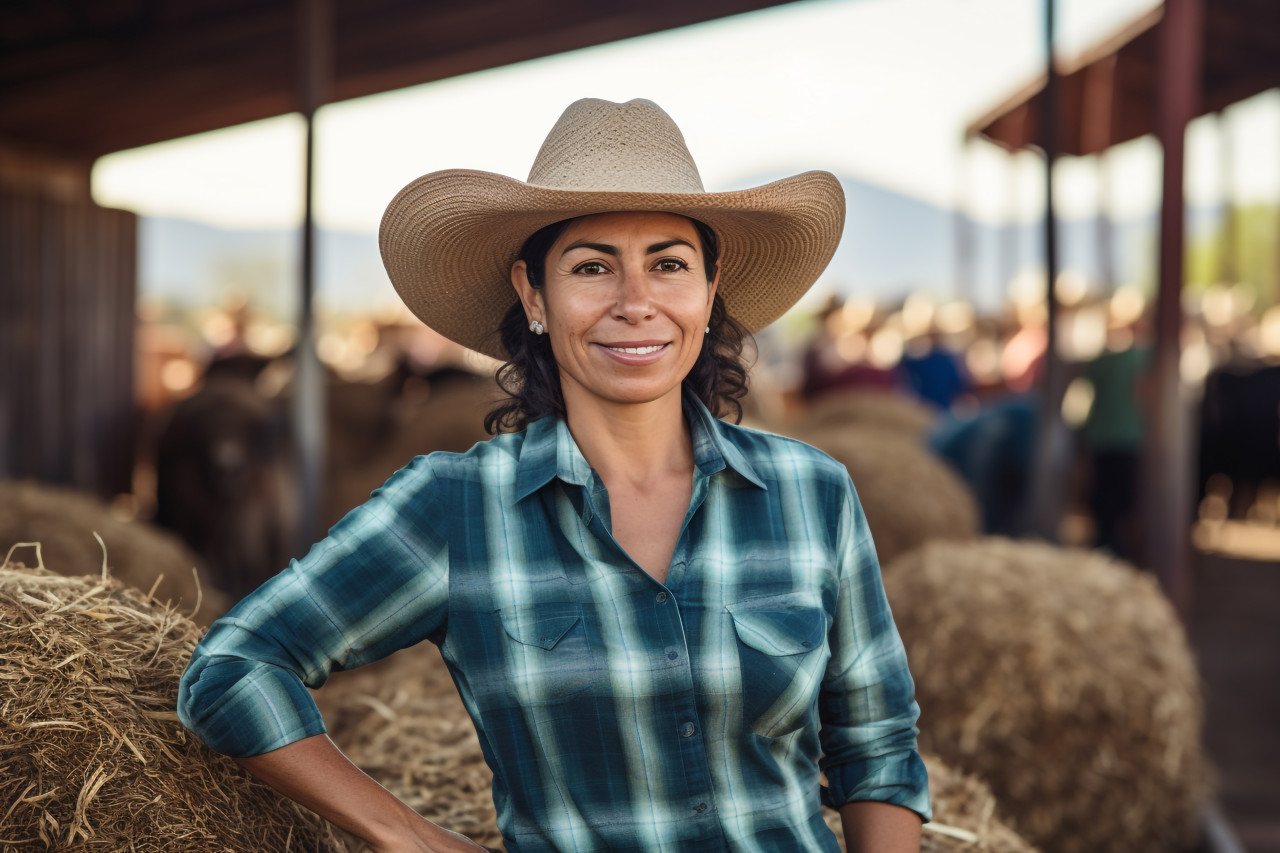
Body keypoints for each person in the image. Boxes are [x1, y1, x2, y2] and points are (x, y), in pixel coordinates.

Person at [178, 98, 930, 853]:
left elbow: (877, 746)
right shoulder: (457, 506)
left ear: (709, 289)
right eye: (593, 267)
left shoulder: (812, 493)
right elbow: (233, 667)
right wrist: (411, 837)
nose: (636, 303)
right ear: (534, 293)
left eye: (668, 264)